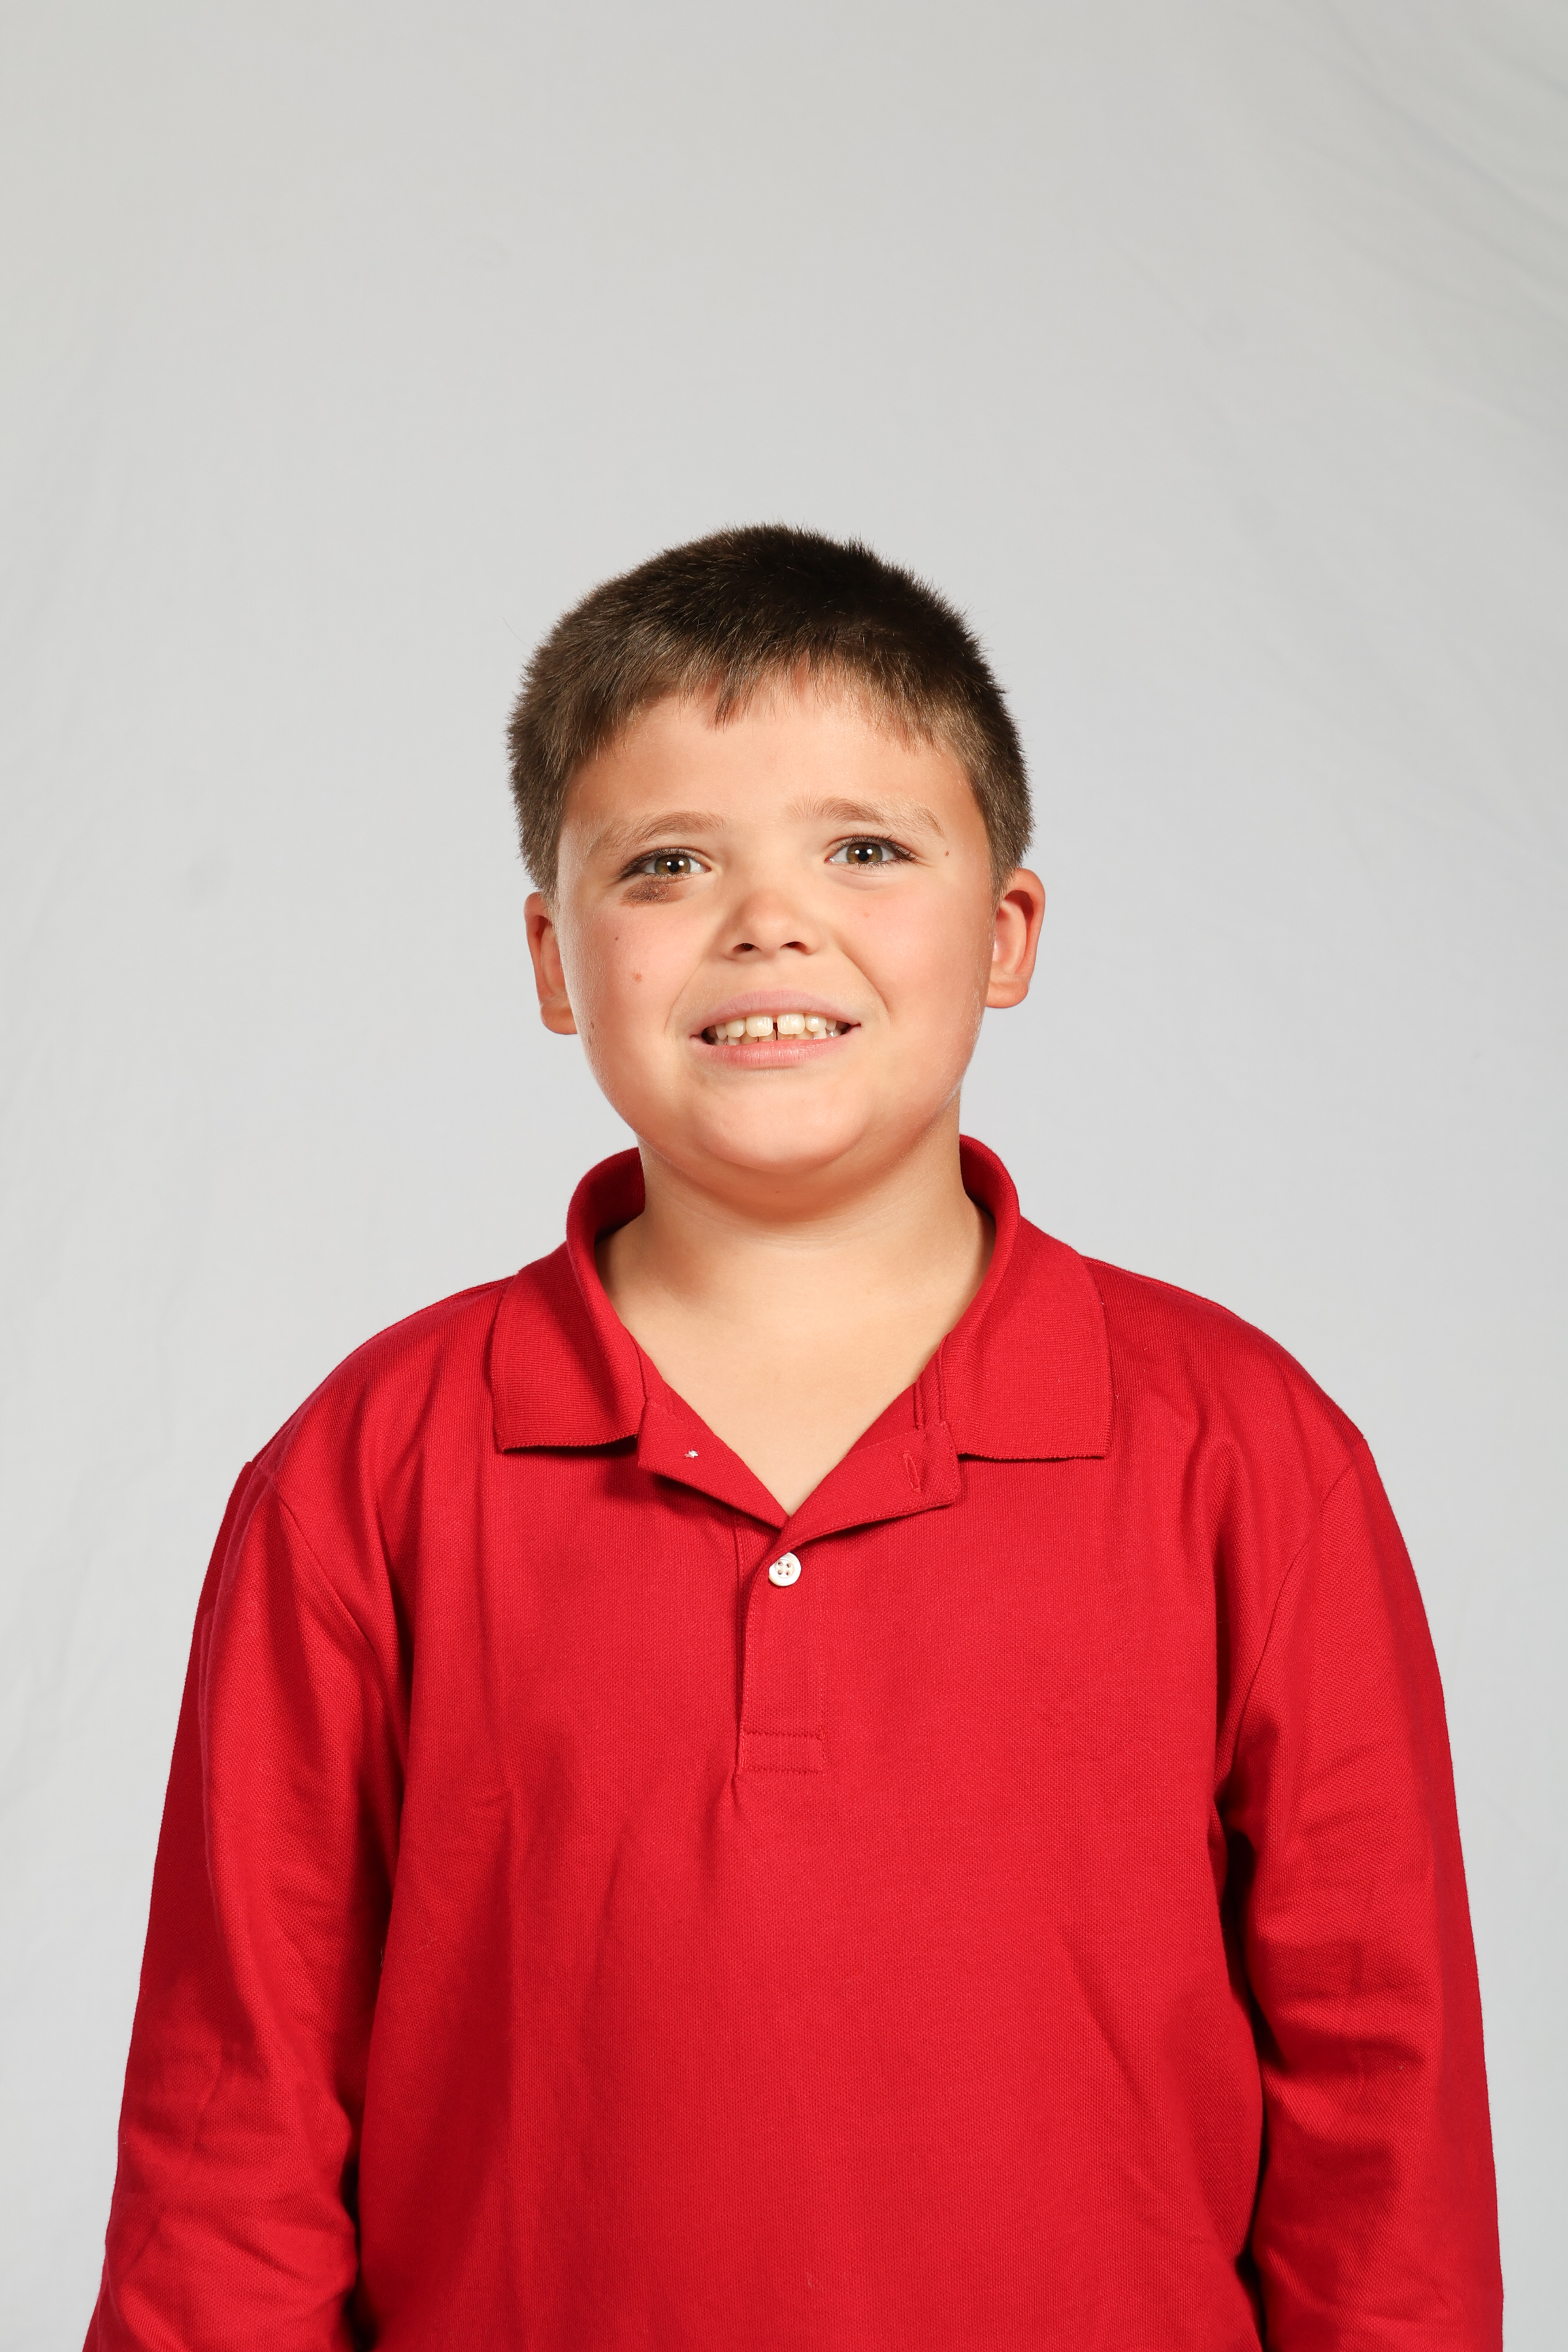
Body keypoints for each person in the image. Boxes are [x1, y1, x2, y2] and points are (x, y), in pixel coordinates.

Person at [85, 526, 1503, 2349]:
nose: (770, 921)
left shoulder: (1244, 1455)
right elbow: (234, 2137)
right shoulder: (369, 1473)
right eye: (668, 863)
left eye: (866, 849)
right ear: (555, 957)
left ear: (1008, 934)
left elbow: (1383, 2106)